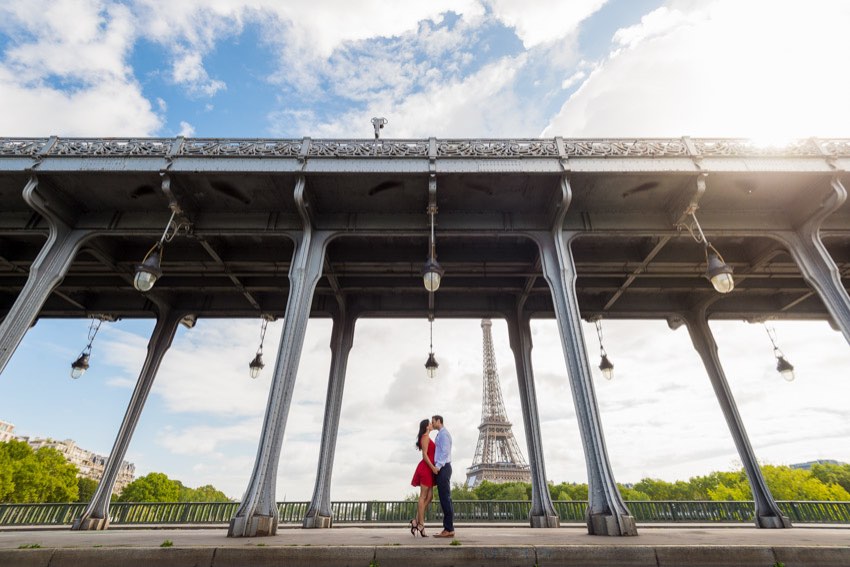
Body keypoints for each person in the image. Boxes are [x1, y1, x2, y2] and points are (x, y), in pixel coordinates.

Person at [409, 418, 437, 536]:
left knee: (429, 497)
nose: (431, 425)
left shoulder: (427, 437)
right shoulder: (425, 437)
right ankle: (421, 524)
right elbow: (424, 455)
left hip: (428, 469)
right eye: (430, 424)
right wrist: (433, 468)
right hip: (426, 469)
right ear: (426, 427)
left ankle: (416, 520)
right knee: (423, 496)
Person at [431, 414, 454, 537]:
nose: (432, 423)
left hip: (443, 468)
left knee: (445, 499)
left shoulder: (444, 434)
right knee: (445, 498)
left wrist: (437, 467)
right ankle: (448, 528)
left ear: (439, 421)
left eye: (433, 421)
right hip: (443, 468)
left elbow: (445, 452)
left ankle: (449, 529)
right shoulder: (441, 434)